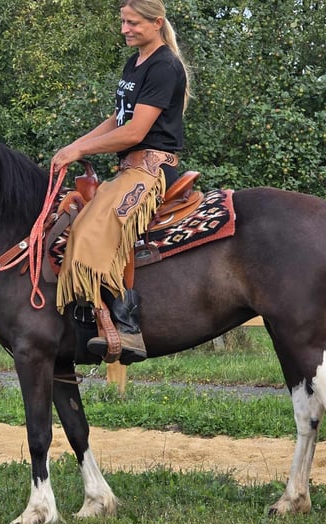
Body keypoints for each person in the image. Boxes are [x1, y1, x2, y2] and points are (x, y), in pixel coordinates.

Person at [52, 0, 190, 365]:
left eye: (132, 22)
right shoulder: (136, 62)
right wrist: (73, 147)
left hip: (151, 171)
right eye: (123, 22)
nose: (125, 29)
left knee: (96, 228)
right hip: (128, 169)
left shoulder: (164, 66)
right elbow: (118, 119)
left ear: (156, 22)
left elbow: (136, 131)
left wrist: (78, 151)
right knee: (77, 217)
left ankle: (126, 325)